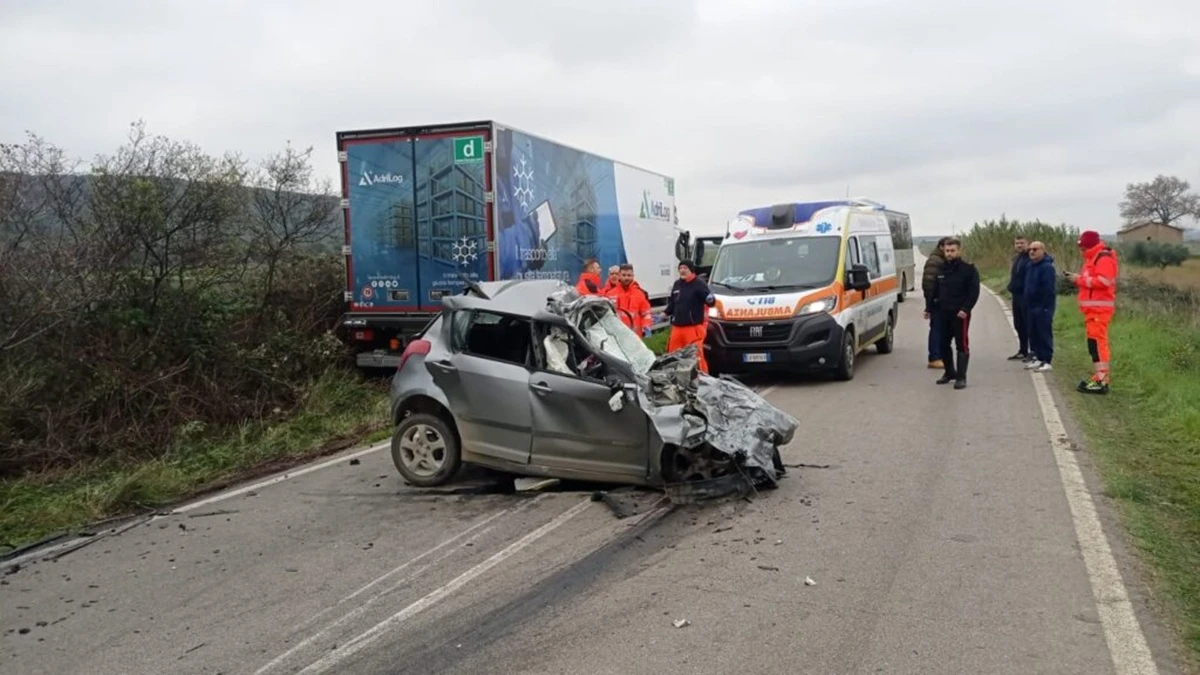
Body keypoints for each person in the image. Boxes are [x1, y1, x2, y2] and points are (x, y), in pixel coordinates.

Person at [1064, 230, 1119, 395]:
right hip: (1092, 311)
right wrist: (1079, 278)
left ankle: (1102, 381)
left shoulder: (1103, 258)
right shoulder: (1092, 258)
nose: (1081, 251)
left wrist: (1078, 280)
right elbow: (1094, 280)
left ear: (1090, 246)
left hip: (1099, 311)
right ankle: (1099, 377)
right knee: (1094, 346)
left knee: (1098, 345)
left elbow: (1104, 281)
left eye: (1083, 248)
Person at [924, 238, 980, 390]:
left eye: (952, 250)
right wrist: (928, 308)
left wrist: (966, 309)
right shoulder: (941, 269)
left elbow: (973, 292)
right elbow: (934, 290)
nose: (949, 253)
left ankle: (961, 377)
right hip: (942, 313)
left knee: (961, 345)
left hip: (960, 314)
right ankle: (949, 373)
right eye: (947, 251)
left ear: (959, 251)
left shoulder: (968, 269)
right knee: (942, 344)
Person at [665, 260, 715, 373]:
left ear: (691, 270)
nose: (682, 270)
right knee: (673, 355)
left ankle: (703, 378)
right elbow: (672, 304)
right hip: (677, 328)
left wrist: (710, 300)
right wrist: (663, 314)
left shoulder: (699, 284)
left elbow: (710, 301)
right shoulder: (677, 284)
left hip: (693, 328)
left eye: (685, 268)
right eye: (680, 268)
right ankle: (675, 379)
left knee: (696, 356)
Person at [1021, 241, 1056, 373]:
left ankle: (1047, 360)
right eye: (1030, 249)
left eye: (1035, 249)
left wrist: (1045, 307)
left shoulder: (1047, 267)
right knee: (1033, 333)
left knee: (1044, 333)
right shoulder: (1030, 265)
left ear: (1042, 250)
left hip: (1043, 306)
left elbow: (1049, 290)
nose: (1032, 252)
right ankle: (1037, 357)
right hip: (1030, 305)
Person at [921, 237, 950, 369]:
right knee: (937, 329)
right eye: (946, 248)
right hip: (937, 301)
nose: (949, 251)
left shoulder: (943, 260)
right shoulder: (934, 261)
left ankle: (940, 355)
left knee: (942, 329)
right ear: (940, 247)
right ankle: (934, 357)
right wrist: (929, 304)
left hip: (944, 302)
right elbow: (928, 284)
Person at [605, 263, 653, 337]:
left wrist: (647, 327)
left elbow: (646, 313)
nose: (626, 278)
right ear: (619, 276)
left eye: (629, 275)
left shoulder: (640, 294)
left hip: (635, 337)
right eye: (624, 275)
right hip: (617, 336)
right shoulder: (609, 294)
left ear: (633, 276)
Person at [1006, 235, 1032, 361]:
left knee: (1029, 324)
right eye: (1017, 243)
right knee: (1019, 324)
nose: (1019, 245)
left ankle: (1032, 352)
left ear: (1028, 243)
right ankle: (1022, 350)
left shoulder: (1030, 258)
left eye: (1022, 243)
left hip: (1026, 296)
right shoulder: (1017, 258)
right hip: (1016, 295)